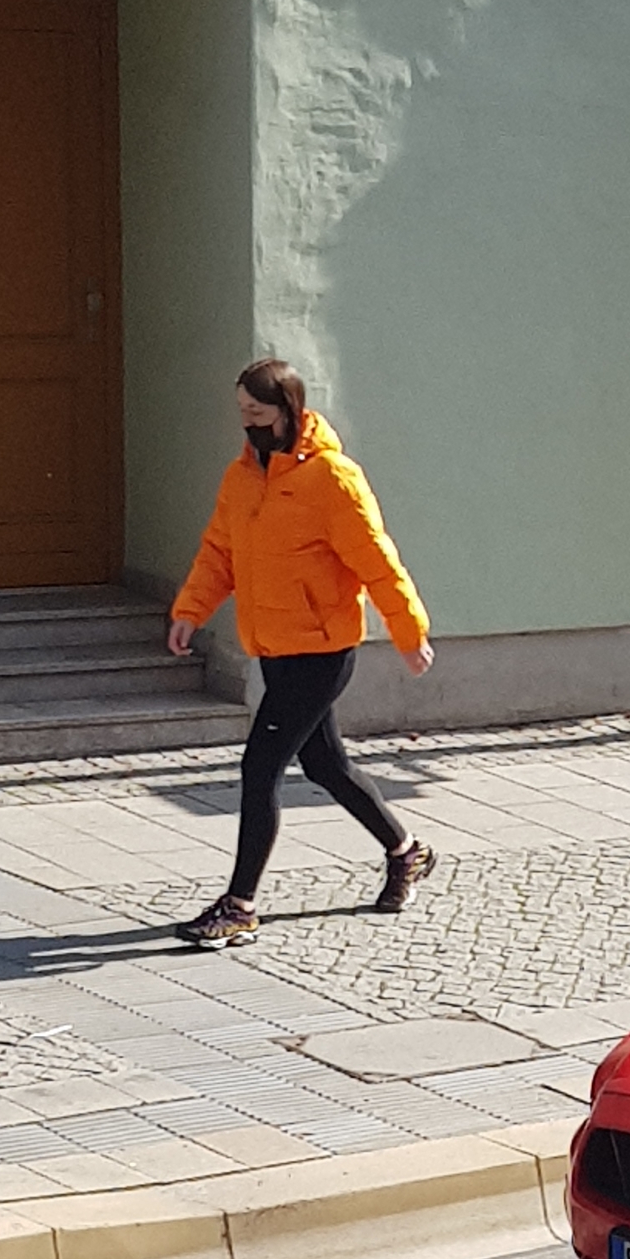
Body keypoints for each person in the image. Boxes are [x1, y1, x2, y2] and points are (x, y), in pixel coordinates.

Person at [166, 360, 437, 947]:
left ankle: (239, 906)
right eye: (241, 413)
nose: (247, 424)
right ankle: (405, 852)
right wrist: (190, 610)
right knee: (324, 765)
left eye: (258, 414)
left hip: (322, 649)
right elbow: (219, 553)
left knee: (260, 766)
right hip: (274, 646)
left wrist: (408, 631)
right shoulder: (241, 479)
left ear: (289, 411)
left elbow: (376, 560)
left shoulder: (332, 479)